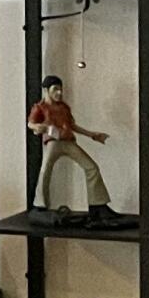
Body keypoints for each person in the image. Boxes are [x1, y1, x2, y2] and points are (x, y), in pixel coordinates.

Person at [27, 76, 111, 217]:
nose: (59, 93)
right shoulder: (40, 107)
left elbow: (72, 125)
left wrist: (91, 134)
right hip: (53, 142)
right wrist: (37, 127)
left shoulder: (64, 107)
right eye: (55, 89)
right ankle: (39, 204)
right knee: (45, 170)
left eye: (60, 89)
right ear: (46, 90)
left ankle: (97, 204)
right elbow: (30, 123)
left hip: (68, 141)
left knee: (91, 167)